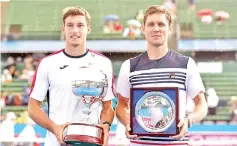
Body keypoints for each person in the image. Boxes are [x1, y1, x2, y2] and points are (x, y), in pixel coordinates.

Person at [116, 5, 207, 146]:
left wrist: (189, 120)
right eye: (151, 24)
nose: (156, 29)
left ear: (169, 28)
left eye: (161, 24)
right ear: (143, 29)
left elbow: (201, 105)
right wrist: (128, 123)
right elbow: (121, 105)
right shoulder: (129, 66)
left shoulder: (186, 64)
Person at [28, 6, 115, 146]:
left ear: (88, 29)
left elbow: (107, 106)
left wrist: (105, 125)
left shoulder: (103, 63)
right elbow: (33, 108)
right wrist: (55, 128)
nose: (75, 30)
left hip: (90, 142)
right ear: (63, 29)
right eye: (70, 25)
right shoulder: (48, 63)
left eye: (80, 25)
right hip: (57, 142)